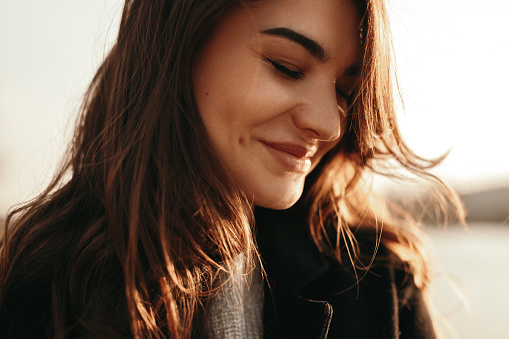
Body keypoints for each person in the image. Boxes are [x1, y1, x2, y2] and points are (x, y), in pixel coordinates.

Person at [0, 0, 463, 338]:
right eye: (287, 67)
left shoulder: (378, 286)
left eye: (345, 92)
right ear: (180, 44)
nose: (327, 124)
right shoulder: (36, 291)